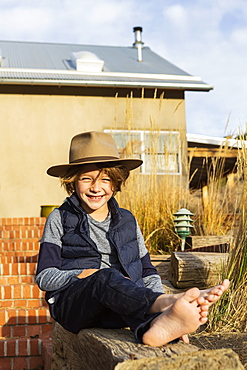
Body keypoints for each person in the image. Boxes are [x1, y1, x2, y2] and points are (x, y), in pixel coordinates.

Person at [36, 131, 229, 347]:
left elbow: (147, 271)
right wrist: (83, 274)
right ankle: (168, 302)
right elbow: (45, 277)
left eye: (105, 180)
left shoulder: (127, 220)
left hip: (119, 301)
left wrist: (162, 309)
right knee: (106, 278)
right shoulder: (59, 218)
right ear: (73, 182)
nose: (96, 187)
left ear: (116, 183)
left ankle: (160, 325)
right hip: (74, 305)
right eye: (86, 179)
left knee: (125, 291)